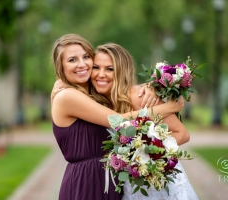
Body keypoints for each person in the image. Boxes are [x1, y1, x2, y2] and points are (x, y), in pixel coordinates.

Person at [50, 33, 184, 200]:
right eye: (72, 60)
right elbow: (118, 121)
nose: (82, 64)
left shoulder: (94, 96)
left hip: (110, 182)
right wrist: (169, 107)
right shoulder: (67, 96)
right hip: (86, 184)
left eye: (86, 57)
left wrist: (149, 87)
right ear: (60, 66)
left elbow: (122, 96)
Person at [91, 43, 199, 200]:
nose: (100, 74)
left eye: (109, 69)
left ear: (122, 71)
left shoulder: (140, 97)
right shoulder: (98, 101)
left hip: (159, 183)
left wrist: (147, 152)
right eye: (96, 67)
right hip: (132, 185)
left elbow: (182, 134)